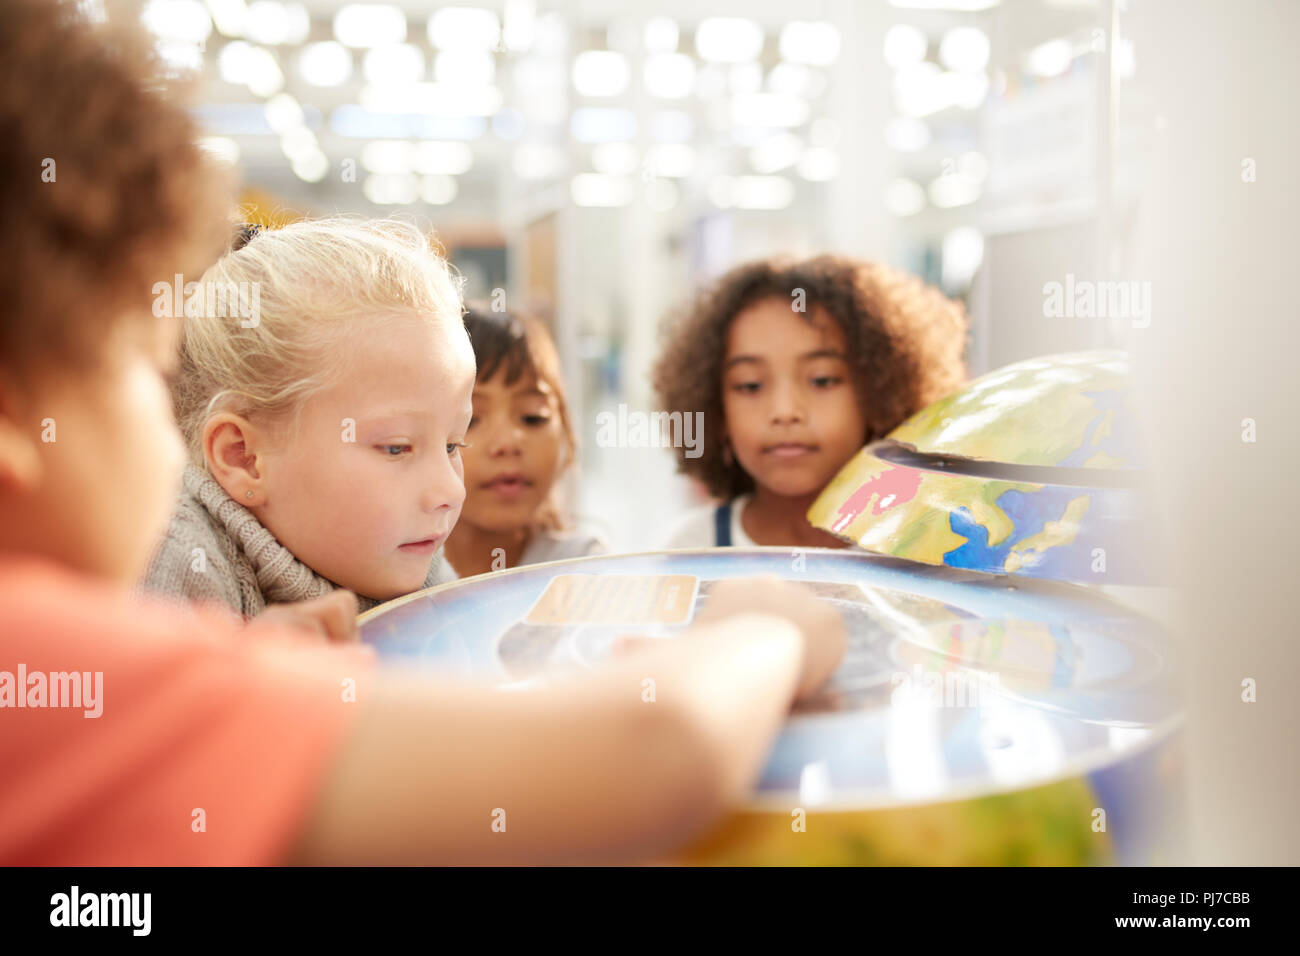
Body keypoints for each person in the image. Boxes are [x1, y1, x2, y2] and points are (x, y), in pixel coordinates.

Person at [0, 0, 846, 865]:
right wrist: (766, 632)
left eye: (453, 441)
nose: (452, 484)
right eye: (142, 366)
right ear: (240, 454)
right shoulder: (59, 666)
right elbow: (650, 754)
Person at [653, 256, 966, 549]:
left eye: (822, 380)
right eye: (750, 385)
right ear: (716, 412)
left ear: (880, 395)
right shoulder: (693, 549)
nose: (785, 412)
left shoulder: (927, 543)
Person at [443, 306, 606, 576]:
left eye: (533, 416)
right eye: (471, 419)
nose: (508, 443)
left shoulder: (583, 571)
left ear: (566, 432)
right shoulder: (386, 582)